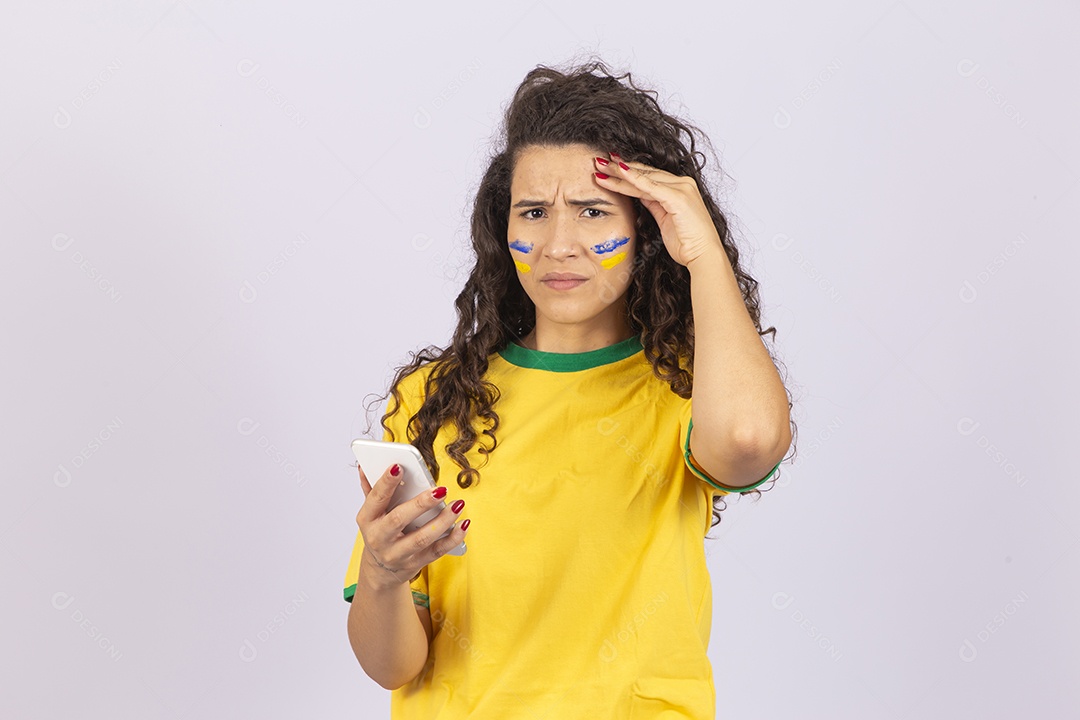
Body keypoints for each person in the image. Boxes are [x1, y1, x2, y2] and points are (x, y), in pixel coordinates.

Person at [343, 58, 796, 719]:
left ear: (647, 226)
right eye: (534, 212)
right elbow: (393, 666)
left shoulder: (684, 386)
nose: (559, 244)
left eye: (591, 211)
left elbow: (751, 441)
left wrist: (702, 253)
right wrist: (383, 576)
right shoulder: (434, 396)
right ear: (506, 230)